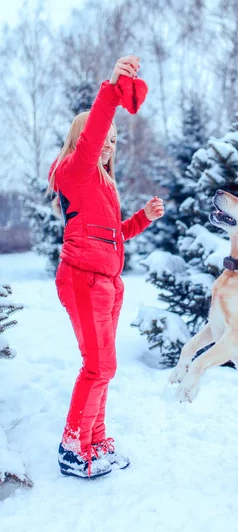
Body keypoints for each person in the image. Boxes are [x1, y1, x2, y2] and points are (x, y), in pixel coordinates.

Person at [47, 55, 164, 479]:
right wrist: (112, 89)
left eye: (115, 139)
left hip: (108, 284)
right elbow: (94, 132)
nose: (109, 143)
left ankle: (94, 441)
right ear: (84, 141)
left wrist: (143, 219)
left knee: (104, 367)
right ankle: (72, 447)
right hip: (81, 279)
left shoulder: (104, 185)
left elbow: (115, 233)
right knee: (97, 366)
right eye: (103, 138)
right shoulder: (73, 171)